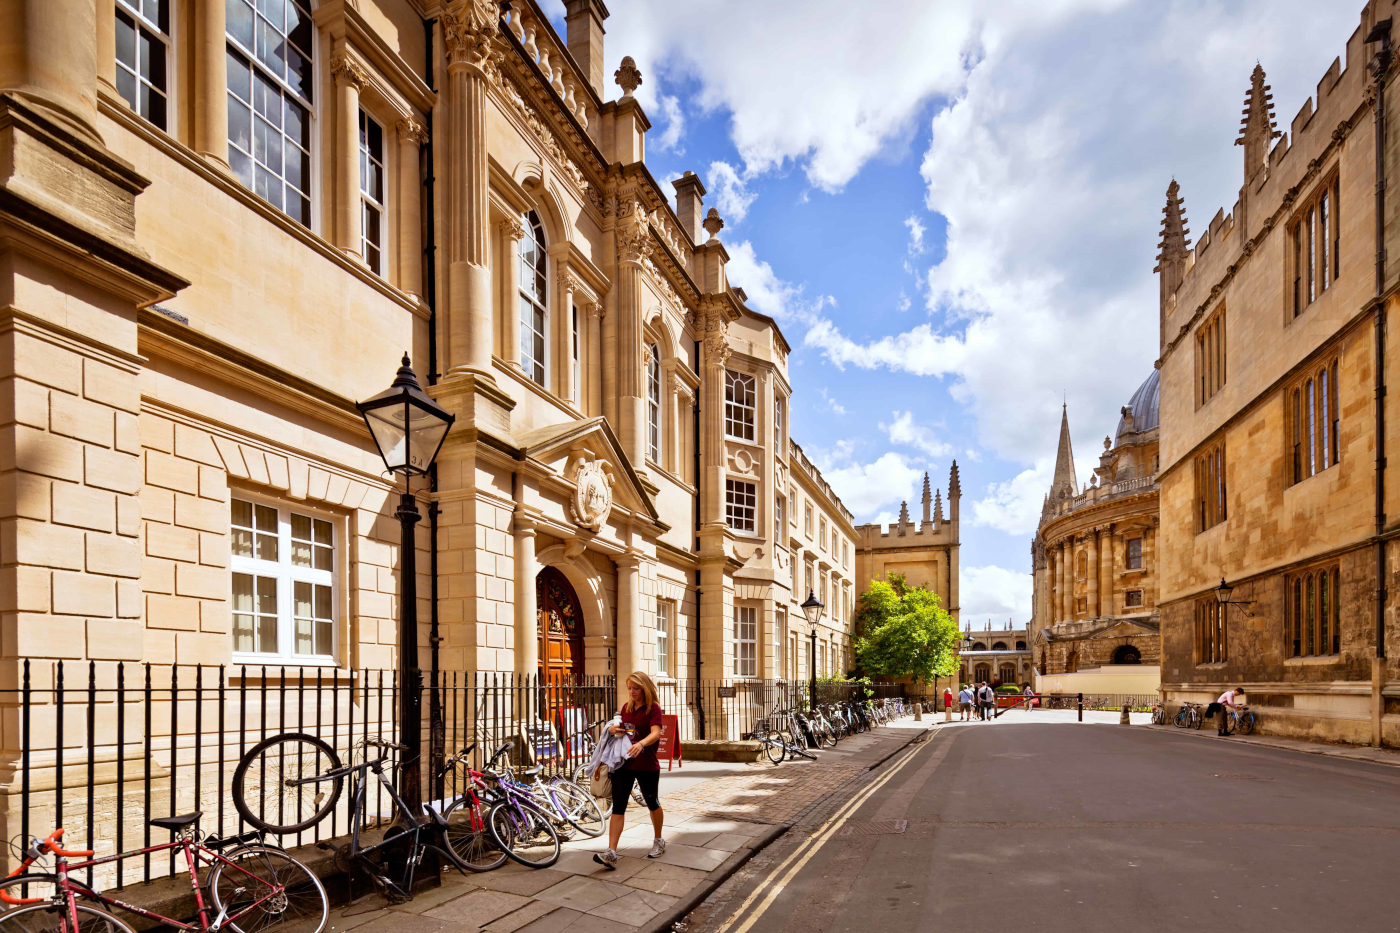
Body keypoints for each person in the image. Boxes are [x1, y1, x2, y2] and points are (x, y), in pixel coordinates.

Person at [594, 671, 666, 870]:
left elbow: (656, 732)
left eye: (636, 688)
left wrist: (641, 744)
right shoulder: (626, 708)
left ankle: (659, 839)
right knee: (618, 807)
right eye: (630, 688)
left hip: (646, 764)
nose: (632, 692)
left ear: (644, 688)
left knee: (652, 802)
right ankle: (611, 852)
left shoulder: (653, 709)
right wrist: (612, 730)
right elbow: (621, 728)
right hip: (624, 765)